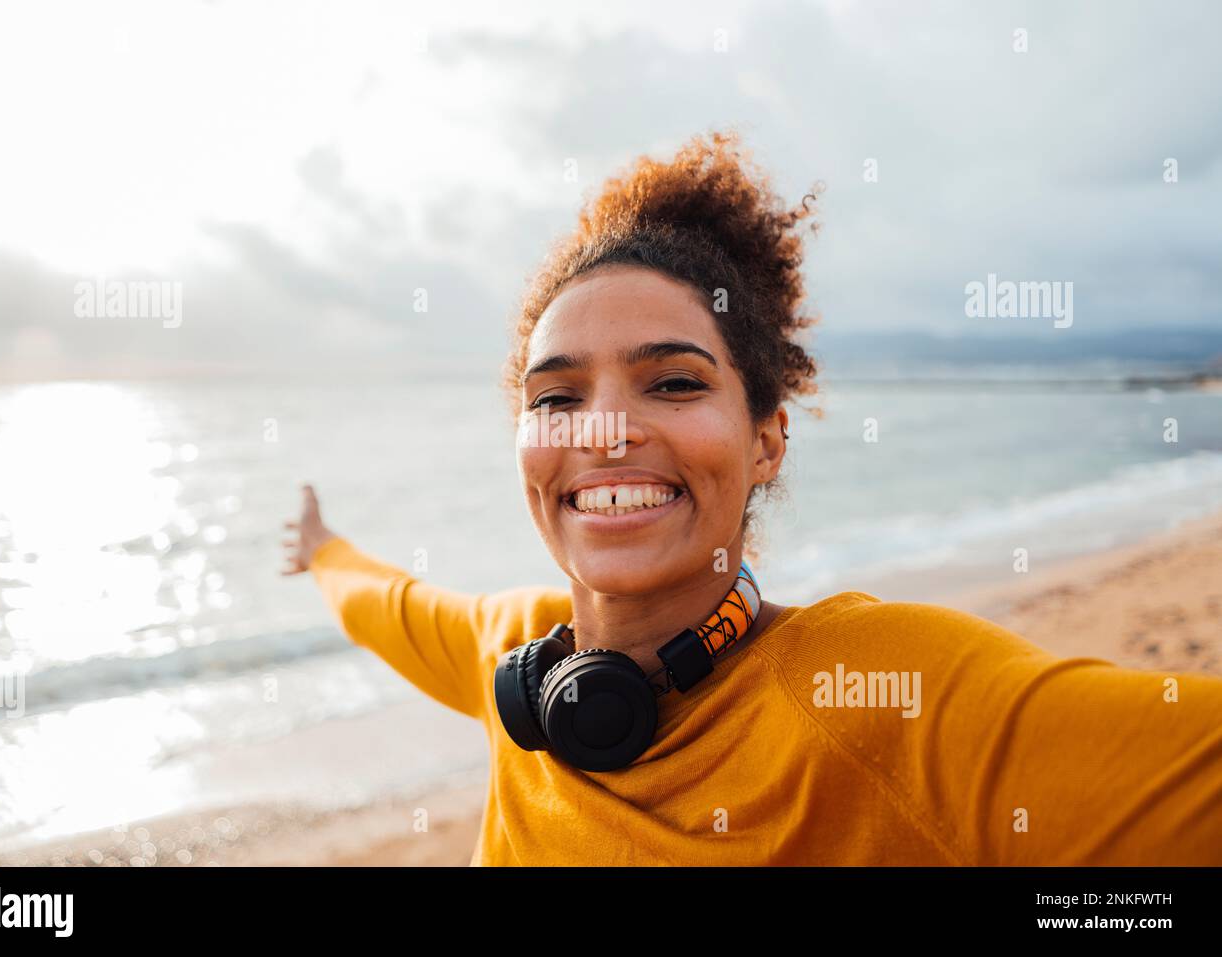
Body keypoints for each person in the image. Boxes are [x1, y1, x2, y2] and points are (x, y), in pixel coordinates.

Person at [282, 131, 1222, 866]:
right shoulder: (513, 663)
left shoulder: (885, 689)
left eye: (674, 383)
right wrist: (324, 549)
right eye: (557, 397)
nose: (603, 432)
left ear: (768, 436)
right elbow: (387, 605)